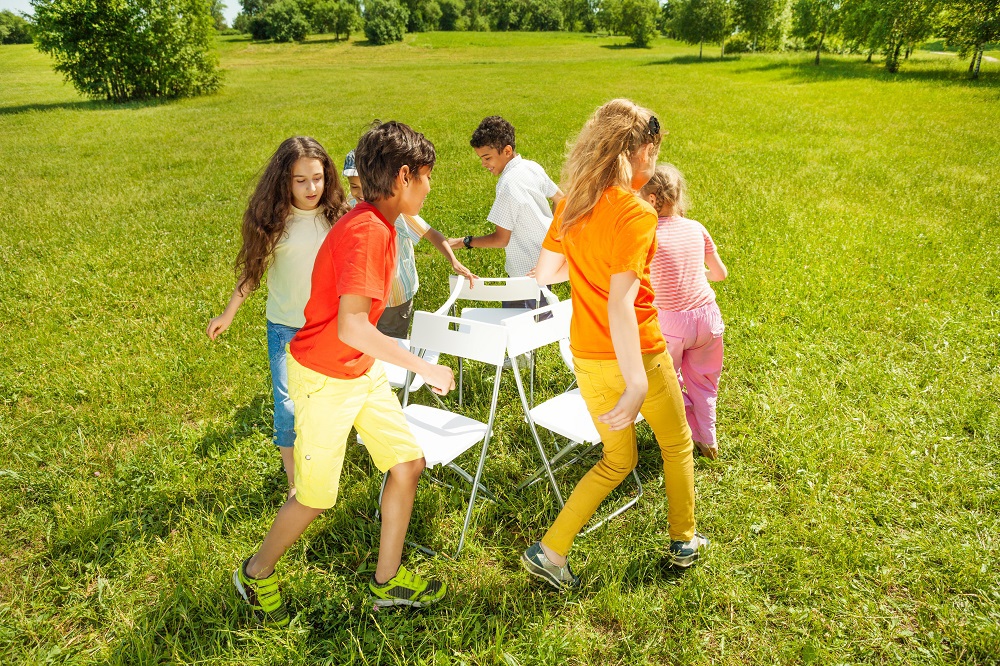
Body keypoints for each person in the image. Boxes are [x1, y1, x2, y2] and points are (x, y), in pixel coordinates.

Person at [233, 121, 455, 625]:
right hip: (325, 378)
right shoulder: (366, 233)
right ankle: (256, 571)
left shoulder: (376, 223)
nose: (428, 186)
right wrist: (425, 367)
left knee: (407, 463)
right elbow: (354, 327)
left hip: (361, 372)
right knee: (313, 497)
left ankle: (388, 582)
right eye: (426, 176)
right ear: (403, 177)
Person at [523, 99, 709, 591]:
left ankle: (551, 549)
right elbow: (621, 305)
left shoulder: (573, 202)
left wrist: (585, 265)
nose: (655, 160)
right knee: (676, 444)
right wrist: (635, 383)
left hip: (586, 356)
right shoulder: (636, 212)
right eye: (654, 149)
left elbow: (546, 274)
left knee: (616, 460)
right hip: (638, 355)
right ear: (640, 150)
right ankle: (683, 540)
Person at [206, 136, 349, 496]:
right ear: (284, 180)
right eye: (300, 180)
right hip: (285, 326)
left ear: (327, 176)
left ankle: (326, 464)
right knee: (287, 407)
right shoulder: (275, 223)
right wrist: (228, 314)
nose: (311, 187)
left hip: (329, 326)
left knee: (323, 404)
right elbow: (252, 273)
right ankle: (295, 482)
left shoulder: (339, 216)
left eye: (317, 178)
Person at [640, 164, 728, 460]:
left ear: (651, 199)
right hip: (708, 316)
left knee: (668, 380)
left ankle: (681, 433)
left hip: (672, 323)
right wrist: (700, 273)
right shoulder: (696, 228)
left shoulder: (648, 234)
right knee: (704, 382)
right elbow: (720, 274)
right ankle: (709, 439)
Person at [343, 149, 476, 338]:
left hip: (395, 296)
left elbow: (431, 234)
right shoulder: (349, 204)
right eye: (354, 186)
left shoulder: (396, 209)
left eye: (364, 185)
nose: (360, 193)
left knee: (392, 343)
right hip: (365, 296)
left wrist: (454, 261)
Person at [448, 115, 563, 309]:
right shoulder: (531, 167)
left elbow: (501, 239)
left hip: (524, 273)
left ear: (507, 150)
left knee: (522, 327)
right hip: (545, 263)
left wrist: (464, 242)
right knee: (538, 324)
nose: (484, 164)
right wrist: (553, 235)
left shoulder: (507, 185)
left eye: (487, 157)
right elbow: (561, 200)